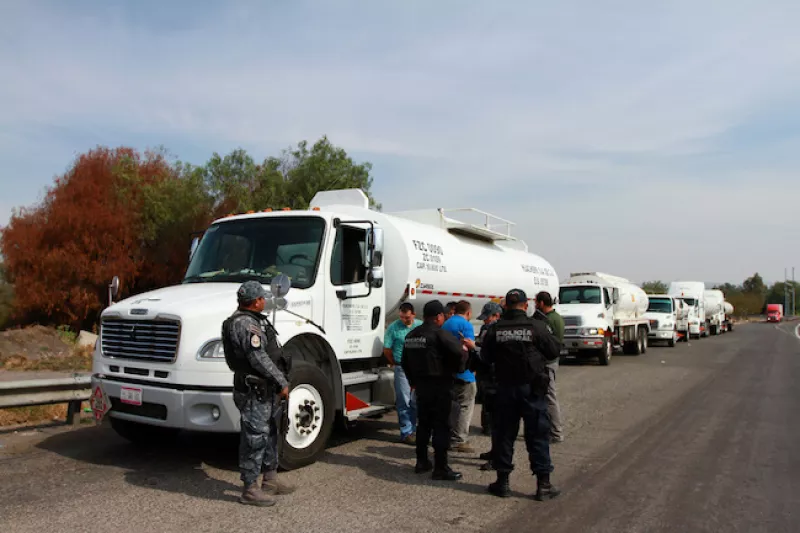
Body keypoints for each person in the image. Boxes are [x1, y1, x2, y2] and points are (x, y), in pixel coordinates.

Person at [480, 288, 562, 500]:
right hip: (532, 389)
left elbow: (486, 357)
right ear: (526, 306)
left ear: (505, 306)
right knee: (538, 436)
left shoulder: (495, 329)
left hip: (505, 389)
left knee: (504, 436)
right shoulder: (537, 326)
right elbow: (554, 351)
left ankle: (503, 483)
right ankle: (543, 485)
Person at [221, 281, 294, 507]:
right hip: (255, 390)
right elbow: (258, 358)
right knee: (255, 437)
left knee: (271, 432)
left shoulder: (254, 320)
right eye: (262, 298)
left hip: (265, 389)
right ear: (255, 301)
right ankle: (250, 489)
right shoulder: (244, 324)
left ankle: (270, 479)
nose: (265, 301)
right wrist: (281, 380)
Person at [401, 300, 468, 481]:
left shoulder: (411, 336)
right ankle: (441, 467)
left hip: (421, 387)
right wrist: (460, 361)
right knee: (441, 427)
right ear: (439, 316)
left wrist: (413, 381)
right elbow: (459, 354)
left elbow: (404, 362)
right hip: (440, 386)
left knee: (423, 425)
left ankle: (421, 462)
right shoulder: (440, 334)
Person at [383, 302, 423, 445]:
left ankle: (417, 429)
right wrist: (394, 363)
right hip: (402, 368)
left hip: (418, 367)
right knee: (404, 400)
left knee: (416, 400)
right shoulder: (394, 328)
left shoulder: (419, 326)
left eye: (406, 317)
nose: (403, 320)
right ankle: (407, 432)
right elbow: (387, 349)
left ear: (413, 314)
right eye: (401, 317)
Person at [442, 300, 478, 453]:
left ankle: (450, 436)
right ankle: (460, 440)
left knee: (452, 406)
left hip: (448, 372)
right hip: (465, 373)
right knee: (465, 406)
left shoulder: (445, 324)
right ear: (468, 312)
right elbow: (469, 347)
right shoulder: (466, 325)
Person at [474, 301, 503, 470]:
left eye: (488, 318)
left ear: (496, 316)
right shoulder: (487, 329)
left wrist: (474, 348)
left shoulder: (499, 331)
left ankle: (497, 458)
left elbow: (490, 354)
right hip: (486, 378)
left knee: (497, 421)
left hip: (495, 378)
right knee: (489, 415)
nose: (485, 321)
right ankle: (494, 451)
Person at [535, 291, 565, 443]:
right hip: (552, 360)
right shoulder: (557, 318)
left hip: (547, 362)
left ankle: (556, 432)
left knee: (550, 396)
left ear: (541, 303)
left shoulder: (547, 320)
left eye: (536, 302)